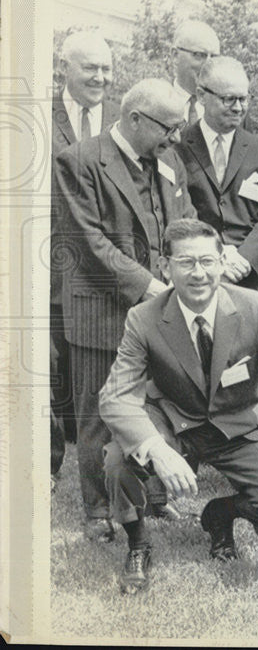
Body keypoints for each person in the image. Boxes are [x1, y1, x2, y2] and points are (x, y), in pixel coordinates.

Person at [99, 219, 258, 594]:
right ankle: (138, 542)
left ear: (222, 262)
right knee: (119, 458)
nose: (198, 273)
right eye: (186, 263)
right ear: (165, 267)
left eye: (207, 261)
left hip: (236, 423)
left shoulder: (256, 307)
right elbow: (115, 396)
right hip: (171, 421)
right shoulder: (144, 318)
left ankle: (220, 514)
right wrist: (156, 451)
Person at [54, 79, 196, 541]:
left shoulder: (169, 160)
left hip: (159, 306)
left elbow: (183, 221)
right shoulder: (79, 161)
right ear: (135, 118)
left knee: (151, 406)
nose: (175, 138)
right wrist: (152, 287)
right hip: (103, 311)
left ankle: (151, 498)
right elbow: (89, 243)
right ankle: (98, 510)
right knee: (100, 413)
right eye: (168, 128)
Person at [51, 30, 118, 454]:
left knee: (100, 372)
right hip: (51, 263)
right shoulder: (39, 115)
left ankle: (109, 454)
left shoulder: (122, 118)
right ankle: (50, 462)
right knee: (51, 365)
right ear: (63, 68)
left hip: (104, 266)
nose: (100, 77)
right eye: (90, 67)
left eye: (106, 68)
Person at [178, 56, 258, 293]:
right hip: (198, 274)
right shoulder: (177, 149)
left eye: (243, 98)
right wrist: (214, 253)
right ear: (201, 95)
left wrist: (245, 259)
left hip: (251, 278)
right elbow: (178, 210)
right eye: (229, 99)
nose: (238, 108)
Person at [170, 20, 221, 126]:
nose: (208, 65)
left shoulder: (229, 112)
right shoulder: (152, 105)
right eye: (199, 55)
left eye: (214, 57)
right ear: (175, 56)